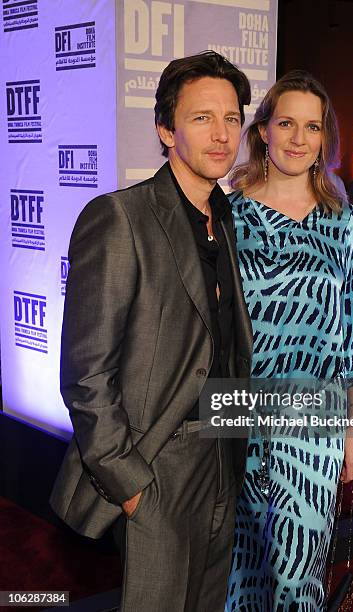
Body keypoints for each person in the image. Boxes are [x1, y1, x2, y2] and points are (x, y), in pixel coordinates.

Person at [49, 51, 253, 612]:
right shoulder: (119, 218)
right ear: (165, 129)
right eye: (201, 118)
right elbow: (86, 372)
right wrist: (131, 484)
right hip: (155, 463)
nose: (221, 134)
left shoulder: (230, 218)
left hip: (223, 453)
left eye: (232, 118)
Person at [226, 70, 353, 610]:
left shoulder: (343, 224)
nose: (297, 138)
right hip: (234, 415)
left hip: (312, 419)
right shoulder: (228, 217)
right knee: (238, 572)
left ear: (324, 139)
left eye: (311, 127)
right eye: (286, 123)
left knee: (296, 577)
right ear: (263, 130)